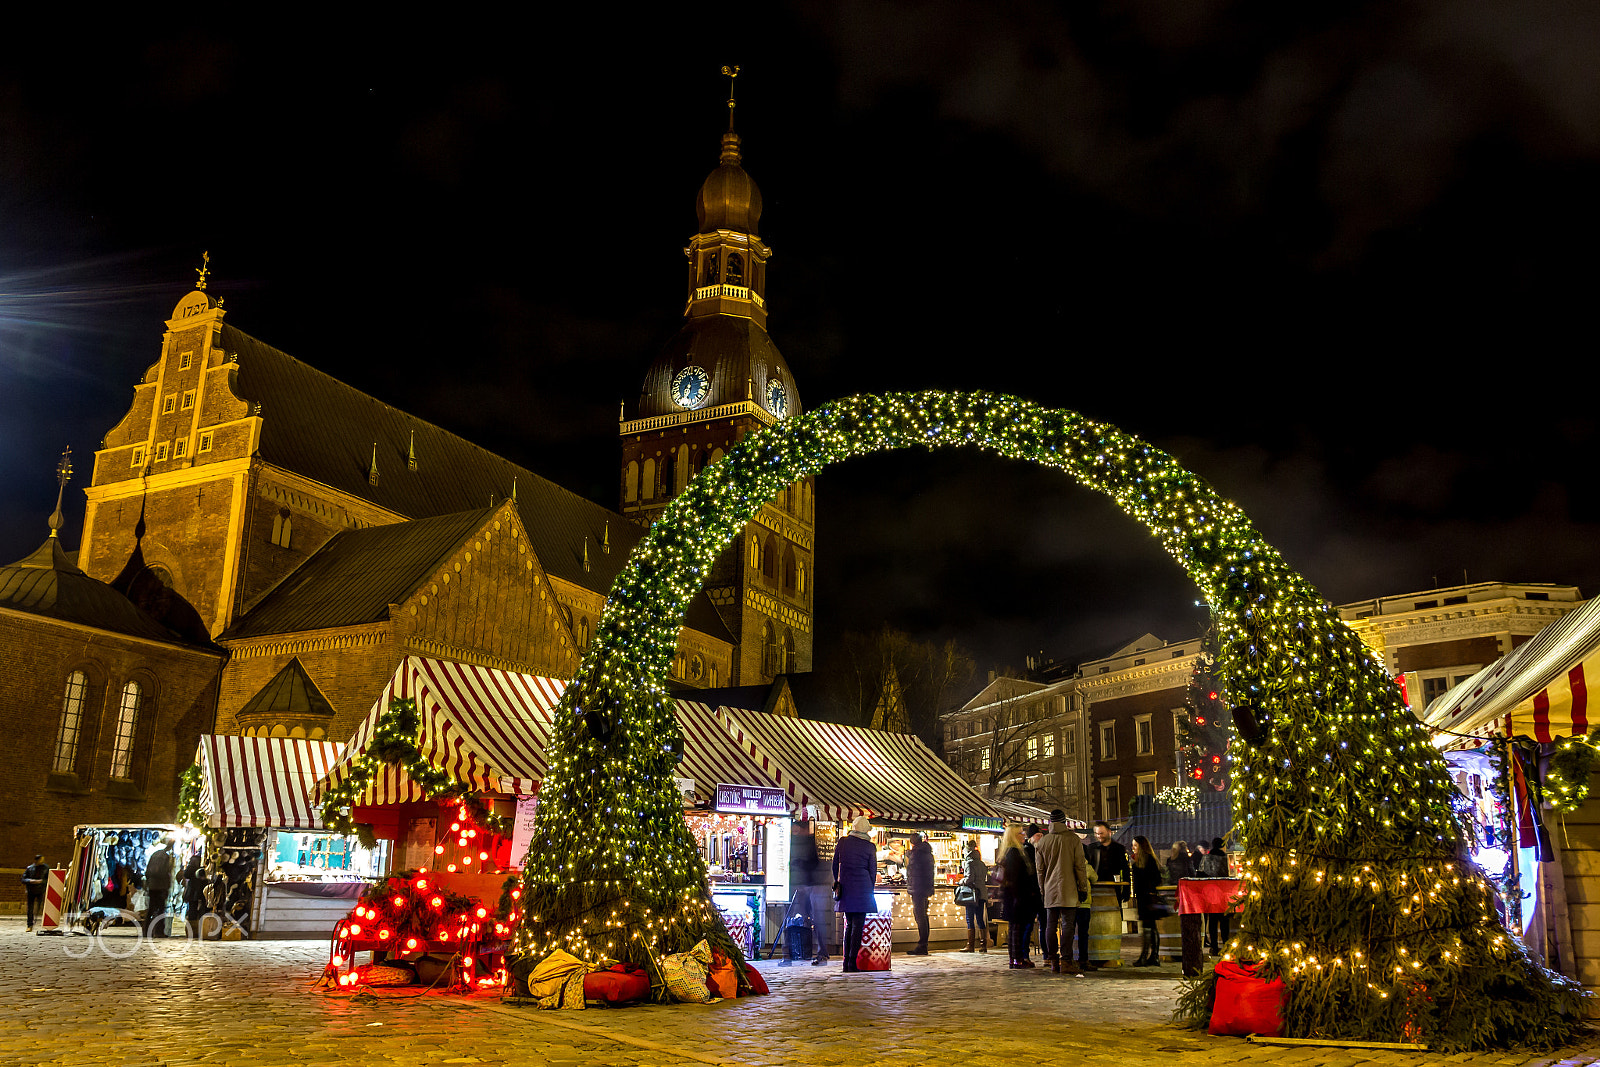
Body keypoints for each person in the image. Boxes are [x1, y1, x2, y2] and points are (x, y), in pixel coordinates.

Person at [1034, 809, 1091, 973]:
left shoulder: (1042, 842)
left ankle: (1053, 961)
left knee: (1050, 926)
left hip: (1050, 889)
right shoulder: (1073, 840)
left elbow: (1040, 870)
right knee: (1068, 925)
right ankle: (1066, 960)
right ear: (1064, 822)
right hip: (1069, 888)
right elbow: (1080, 866)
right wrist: (1083, 887)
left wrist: (1042, 889)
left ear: (1051, 822)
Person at [832, 815, 878, 972]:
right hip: (863, 888)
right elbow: (873, 871)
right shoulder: (870, 847)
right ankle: (852, 962)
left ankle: (846, 962)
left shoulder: (843, 842)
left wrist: (837, 881)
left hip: (845, 887)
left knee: (849, 924)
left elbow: (834, 865)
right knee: (858, 926)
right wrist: (869, 889)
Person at [788, 820, 837, 965]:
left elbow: (812, 863)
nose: (795, 833)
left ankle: (820, 952)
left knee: (817, 919)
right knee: (809, 918)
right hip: (807, 886)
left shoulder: (807, 842)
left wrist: (798, 864)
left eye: (797, 830)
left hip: (814, 886)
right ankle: (807, 950)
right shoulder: (802, 841)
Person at [997, 825, 1041, 968]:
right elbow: (1016, 878)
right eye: (1021, 833)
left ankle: (1015, 958)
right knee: (1017, 928)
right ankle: (1017, 959)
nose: (1024, 835)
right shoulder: (1014, 853)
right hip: (1018, 897)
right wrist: (1022, 895)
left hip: (1015, 896)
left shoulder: (1013, 852)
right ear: (1014, 836)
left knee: (1016, 928)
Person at [1130, 835, 1163, 966]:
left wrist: (1149, 891)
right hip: (1143, 897)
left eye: (1135, 845)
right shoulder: (1139, 861)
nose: (1133, 848)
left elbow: (1156, 878)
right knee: (1151, 927)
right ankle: (1153, 956)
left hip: (1148, 898)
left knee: (1148, 927)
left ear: (1142, 846)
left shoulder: (1148, 860)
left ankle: (1146, 956)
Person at [1199, 837, 1231, 954]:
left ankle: (1214, 946)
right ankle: (1226, 943)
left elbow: (1201, 872)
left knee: (1212, 921)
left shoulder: (1206, 857)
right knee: (1224, 920)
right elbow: (1226, 873)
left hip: (1210, 892)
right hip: (1222, 891)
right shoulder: (1224, 857)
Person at [905, 832, 934, 955]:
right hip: (925, 888)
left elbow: (912, 872)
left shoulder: (916, 854)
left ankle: (922, 945)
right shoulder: (927, 853)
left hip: (917, 888)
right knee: (923, 916)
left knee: (919, 916)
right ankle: (923, 944)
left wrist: (909, 855)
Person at [957, 840, 989, 953]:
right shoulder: (982, 863)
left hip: (972, 895)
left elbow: (969, 878)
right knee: (980, 919)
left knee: (970, 918)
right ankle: (983, 945)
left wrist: (960, 881)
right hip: (982, 893)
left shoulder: (969, 862)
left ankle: (970, 945)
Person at [144, 841, 175, 938]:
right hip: (161, 886)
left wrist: (148, 883)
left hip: (152, 885)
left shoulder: (155, 854)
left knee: (151, 909)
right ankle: (159, 931)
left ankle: (146, 931)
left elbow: (148, 871)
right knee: (161, 909)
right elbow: (165, 872)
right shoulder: (165, 857)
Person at [22, 855, 47, 931]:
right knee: (30, 908)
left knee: (40, 907)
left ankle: (40, 922)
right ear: (36, 860)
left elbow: (49, 878)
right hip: (31, 890)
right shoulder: (30, 868)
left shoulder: (46, 868)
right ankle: (29, 924)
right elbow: (23, 879)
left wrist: (42, 882)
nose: (42, 861)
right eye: (40, 860)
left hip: (41, 890)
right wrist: (31, 881)